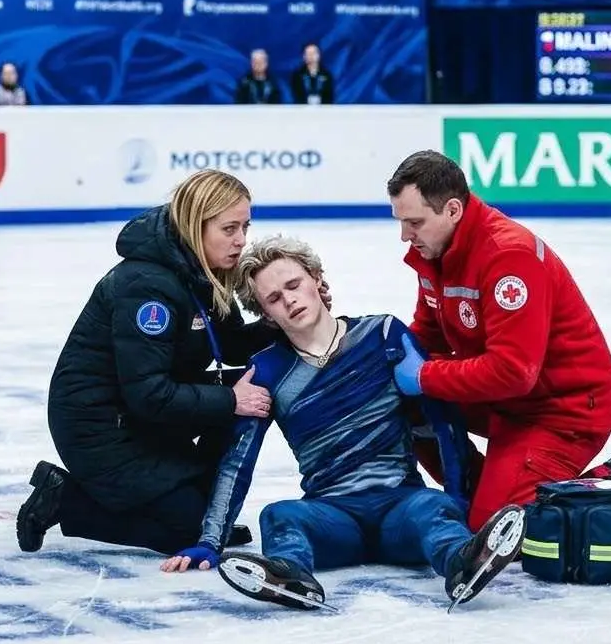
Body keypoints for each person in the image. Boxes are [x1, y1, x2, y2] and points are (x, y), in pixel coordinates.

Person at [159, 236, 526, 612]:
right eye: (273, 299)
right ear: (267, 314)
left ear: (316, 279)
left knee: (433, 507)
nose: (289, 300)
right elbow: (237, 462)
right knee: (279, 515)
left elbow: (443, 422)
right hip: (333, 519)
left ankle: (462, 562)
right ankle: (291, 577)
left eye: (293, 285)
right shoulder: (269, 371)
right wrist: (209, 541)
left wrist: (459, 501)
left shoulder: (382, 335)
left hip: (401, 508)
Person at [16, 170, 286, 557]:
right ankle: (66, 500)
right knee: (188, 530)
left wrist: (282, 321)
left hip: (145, 416)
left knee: (248, 388)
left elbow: (232, 349)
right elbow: (148, 393)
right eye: (229, 228)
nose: (241, 240)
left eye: (244, 226)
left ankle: (199, 510)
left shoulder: (200, 272)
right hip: (101, 429)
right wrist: (229, 401)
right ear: (196, 226)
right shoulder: (146, 286)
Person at [386, 150, 611, 532]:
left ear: (453, 210)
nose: (405, 235)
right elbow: (425, 335)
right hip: (506, 402)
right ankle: (479, 487)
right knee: (403, 403)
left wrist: (424, 377)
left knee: (496, 527)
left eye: (414, 223)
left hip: (562, 411)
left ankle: (606, 478)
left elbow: (512, 371)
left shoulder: (509, 256)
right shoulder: (434, 250)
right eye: (401, 222)